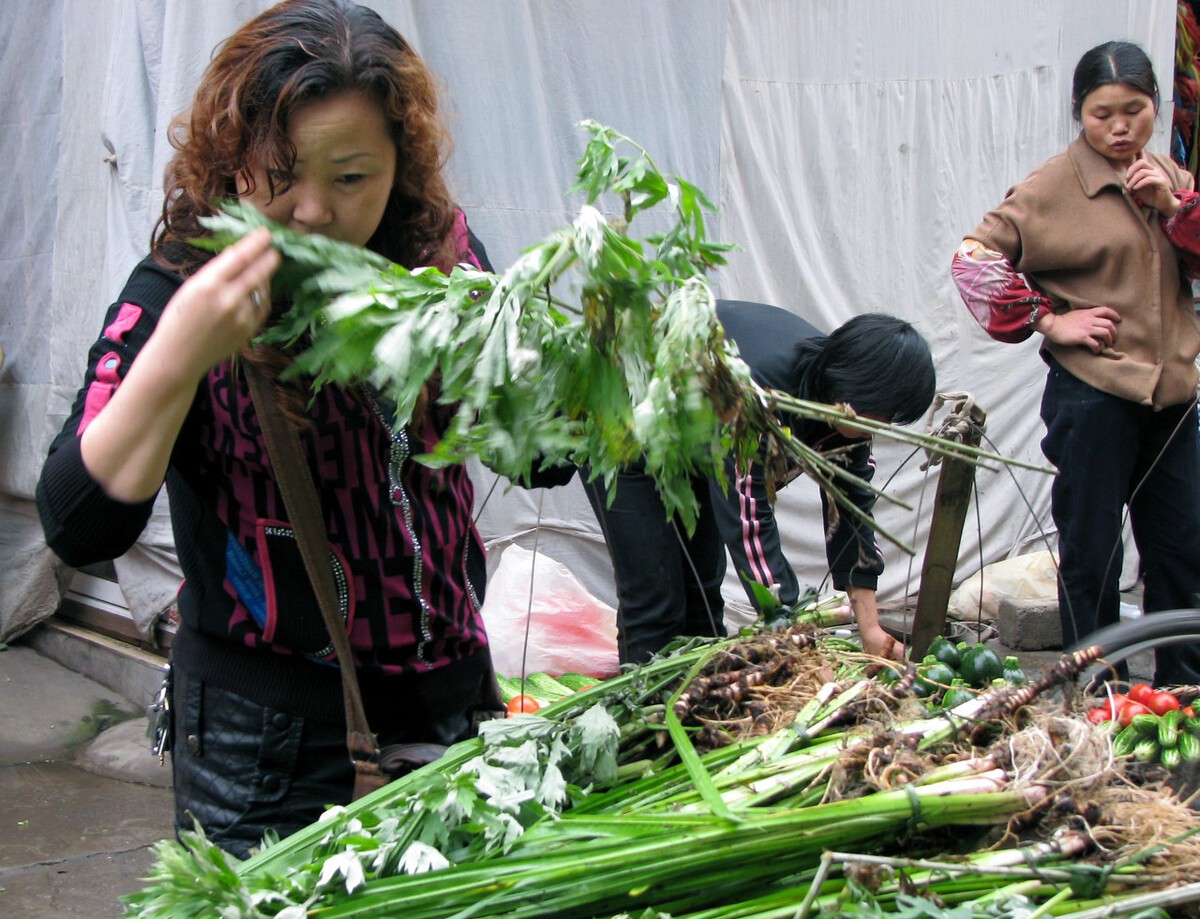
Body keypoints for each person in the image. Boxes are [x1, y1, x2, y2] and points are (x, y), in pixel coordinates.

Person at [37, 0, 507, 858]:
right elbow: (77, 520)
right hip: (266, 748)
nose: (314, 210)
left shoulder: (446, 257)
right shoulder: (182, 282)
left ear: (400, 167)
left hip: (453, 709)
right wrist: (181, 352)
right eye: (281, 173)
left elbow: (541, 456)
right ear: (233, 161)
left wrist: (550, 369)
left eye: (352, 177)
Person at [951, 40, 1200, 687]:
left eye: (1135, 112)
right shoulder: (1052, 186)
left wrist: (1175, 210)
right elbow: (973, 257)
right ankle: (1098, 691)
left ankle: (1183, 695)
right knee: (1092, 552)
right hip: (1093, 394)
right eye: (1102, 114)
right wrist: (1050, 318)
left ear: (1155, 108)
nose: (1120, 128)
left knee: (1181, 552)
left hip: (1172, 398)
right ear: (1077, 112)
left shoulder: (1168, 177)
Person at [584, 300, 936, 667]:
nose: (880, 424)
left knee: (702, 594)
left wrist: (870, 628)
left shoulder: (848, 416)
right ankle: (646, 715)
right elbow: (747, 515)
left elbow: (852, 516)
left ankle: (697, 707)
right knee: (655, 599)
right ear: (858, 384)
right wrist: (788, 623)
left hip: (696, 447)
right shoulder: (762, 393)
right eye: (880, 411)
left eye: (889, 417)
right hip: (622, 428)